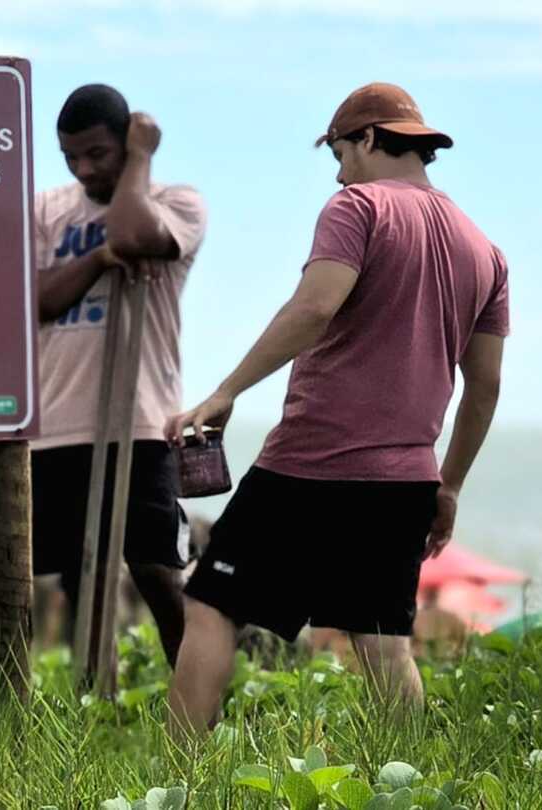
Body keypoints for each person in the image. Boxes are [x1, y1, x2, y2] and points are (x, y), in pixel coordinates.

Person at [165, 82, 509, 732]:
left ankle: (177, 782)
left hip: (310, 465)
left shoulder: (357, 208)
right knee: (383, 643)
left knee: (210, 604)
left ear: (371, 138)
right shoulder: (484, 251)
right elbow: (484, 385)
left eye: (342, 150)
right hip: (406, 480)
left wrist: (226, 391)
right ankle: (414, 785)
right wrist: (451, 485)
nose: (338, 169)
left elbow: (314, 307)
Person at [33, 83, 207, 666]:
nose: (84, 170)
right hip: (56, 422)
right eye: (71, 158)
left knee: (159, 573)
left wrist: (141, 158)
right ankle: (93, 705)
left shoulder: (177, 202)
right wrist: (102, 258)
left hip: (139, 422)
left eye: (99, 155)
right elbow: (36, 300)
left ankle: (199, 714)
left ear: (127, 144)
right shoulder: (46, 209)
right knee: (79, 580)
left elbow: (134, 233)